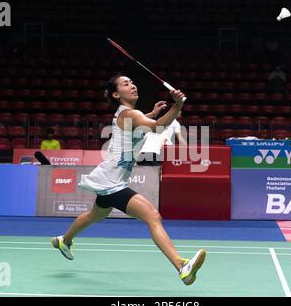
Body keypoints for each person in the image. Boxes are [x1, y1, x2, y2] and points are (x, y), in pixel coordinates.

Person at [51, 75, 206, 285]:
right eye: (125, 84)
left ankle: (64, 240)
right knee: (153, 216)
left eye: (133, 82)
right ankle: (181, 266)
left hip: (109, 178)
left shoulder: (128, 114)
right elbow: (158, 127)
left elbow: (141, 124)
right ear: (116, 94)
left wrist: (152, 113)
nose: (132, 85)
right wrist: (177, 106)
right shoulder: (130, 114)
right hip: (112, 182)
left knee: (93, 216)